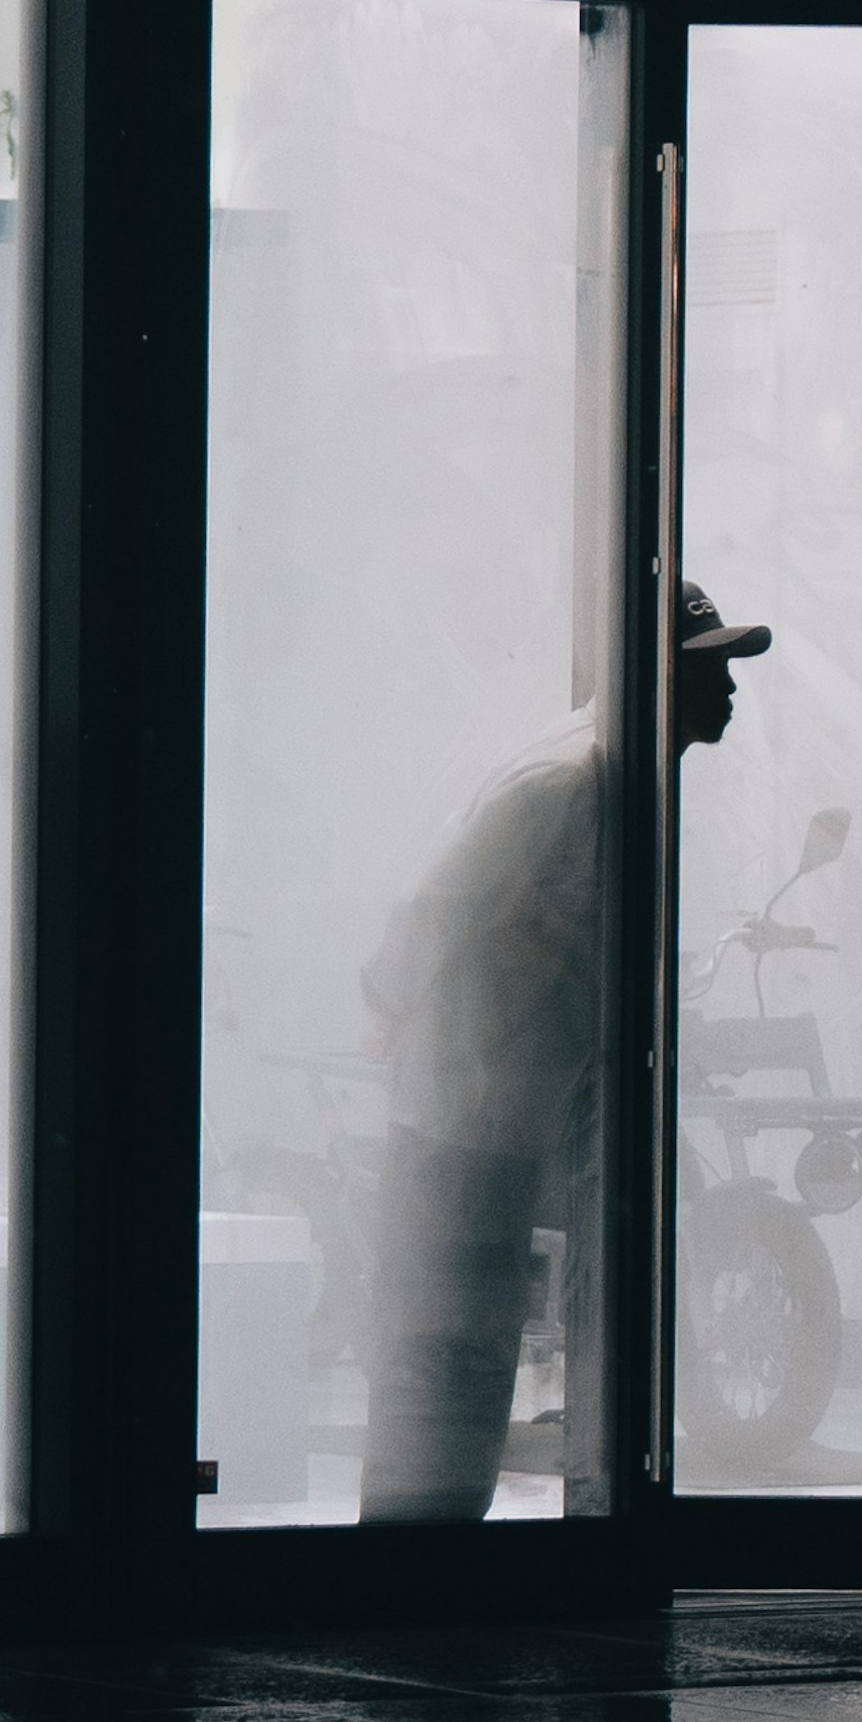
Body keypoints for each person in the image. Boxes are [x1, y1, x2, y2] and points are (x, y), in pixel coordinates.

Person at [354, 578, 769, 1521]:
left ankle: (426, 1566)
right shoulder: (568, 782)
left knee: (466, 1354)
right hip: (466, 1121)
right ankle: (408, 1573)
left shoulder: (613, 777)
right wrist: (409, 1022)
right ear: (654, 674)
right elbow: (430, 912)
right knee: (447, 1361)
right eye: (710, 670)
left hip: (495, 1117)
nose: (731, 690)